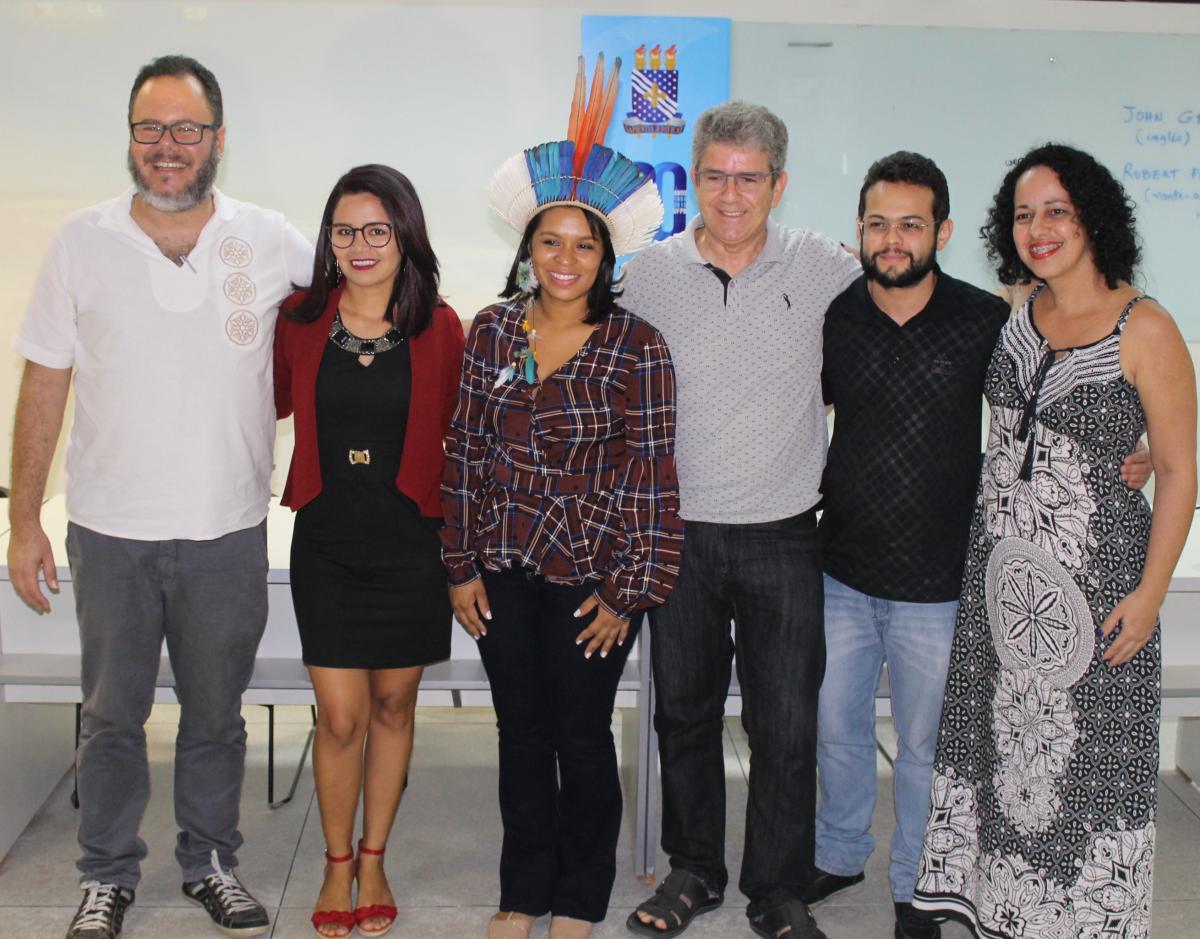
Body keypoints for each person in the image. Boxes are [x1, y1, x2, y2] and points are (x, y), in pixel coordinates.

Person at [6, 55, 312, 939]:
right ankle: (105, 875)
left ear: (218, 138)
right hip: (111, 530)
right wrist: (24, 521)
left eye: (186, 128)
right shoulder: (81, 240)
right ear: (131, 137)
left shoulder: (270, 238)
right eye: (151, 128)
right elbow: (44, 381)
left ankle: (210, 861)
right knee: (110, 717)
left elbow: (364, 297)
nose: (167, 145)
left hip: (227, 529)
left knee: (216, 715)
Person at [811, 152, 1152, 939]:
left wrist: (1126, 446)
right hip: (840, 569)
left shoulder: (987, 321)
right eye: (877, 224)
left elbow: (1057, 391)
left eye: (910, 224)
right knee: (835, 727)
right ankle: (838, 851)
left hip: (942, 581)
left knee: (929, 746)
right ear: (858, 228)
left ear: (943, 232)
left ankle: (916, 882)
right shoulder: (835, 316)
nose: (892, 239)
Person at [911, 144, 1195, 937]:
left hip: (1099, 593)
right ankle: (1007, 916)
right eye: (1024, 214)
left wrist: (1150, 595)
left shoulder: (1147, 328)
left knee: (1086, 775)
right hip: (1003, 591)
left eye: (1057, 211)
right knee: (1007, 760)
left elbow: (1179, 470)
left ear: (1093, 217)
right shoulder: (1018, 310)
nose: (1038, 228)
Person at [441, 56, 682, 939]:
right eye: (551, 242)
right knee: (520, 731)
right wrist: (458, 564)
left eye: (585, 244)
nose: (567, 259)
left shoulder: (637, 345)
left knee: (581, 735)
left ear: (607, 255)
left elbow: (654, 476)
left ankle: (580, 895)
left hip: (594, 579)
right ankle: (524, 890)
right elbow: (464, 450)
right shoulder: (493, 329)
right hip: (501, 569)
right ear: (527, 249)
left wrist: (630, 592)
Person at [621, 101, 862, 939]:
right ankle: (694, 870)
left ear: (778, 185)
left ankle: (778, 887)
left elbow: (906, 322)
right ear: (694, 177)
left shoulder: (825, 266)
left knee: (785, 720)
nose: (731, 195)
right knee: (683, 712)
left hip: (785, 531)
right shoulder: (648, 274)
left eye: (749, 178)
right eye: (716, 176)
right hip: (679, 531)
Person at [274, 164, 464, 938]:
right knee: (342, 716)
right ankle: (336, 861)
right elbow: (262, 400)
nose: (359, 245)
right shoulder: (299, 319)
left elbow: (462, 433)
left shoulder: (439, 326)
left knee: (393, 705)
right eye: (344, 230)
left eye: (377, 230)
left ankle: (375, 856)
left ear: (405, 236)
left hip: (410, 544)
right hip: (327, 542)